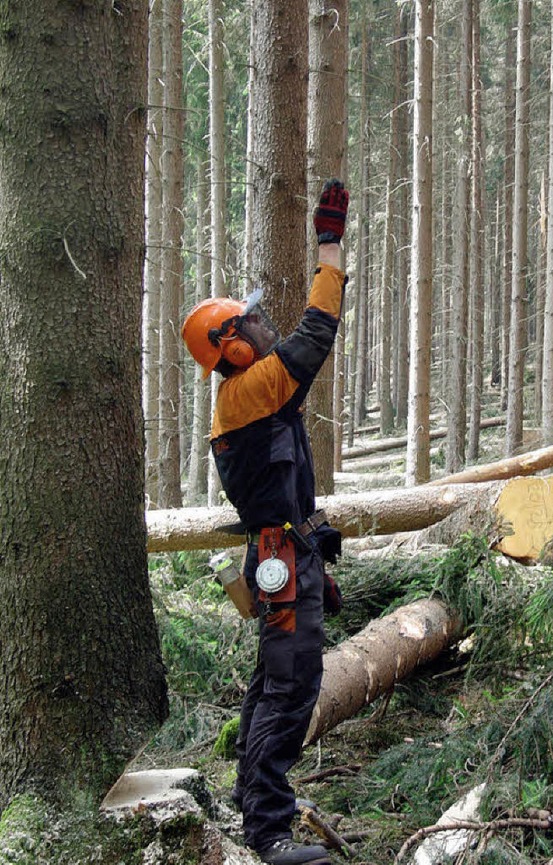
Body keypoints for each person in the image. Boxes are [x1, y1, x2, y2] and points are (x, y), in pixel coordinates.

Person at [181, 179, 349, 865]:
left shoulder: (249, 394)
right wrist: (330, 249)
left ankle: (255, 803)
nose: (260, 321)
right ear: (234, 347)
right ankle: (268, 831)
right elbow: (318, 331)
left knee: (271, 683)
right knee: (291, 683)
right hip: (279, 561)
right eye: (248, 321)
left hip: (284, 551)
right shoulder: (252, 389)